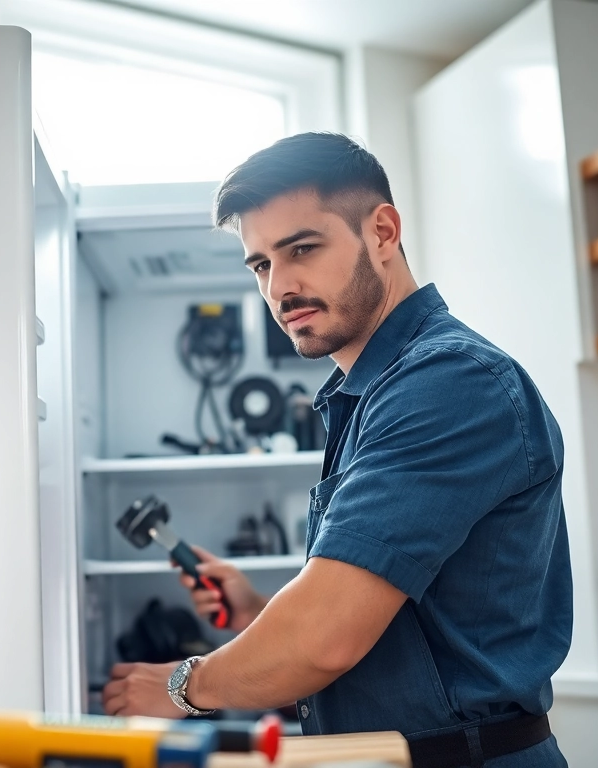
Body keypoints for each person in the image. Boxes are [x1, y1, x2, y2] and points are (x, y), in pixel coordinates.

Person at [102, 133, 572, 768]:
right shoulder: (368, 396)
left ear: (381, 232)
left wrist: (183, 687)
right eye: (262, 264)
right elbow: (396, 636)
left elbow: (324, 641)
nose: (280, 287)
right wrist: (258, 614)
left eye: (302, 249)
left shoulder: (447, 382)